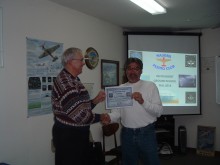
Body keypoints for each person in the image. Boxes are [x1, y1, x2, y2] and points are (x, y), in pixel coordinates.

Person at [102, 57, 163, 165]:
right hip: (127, 135)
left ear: (141, 71)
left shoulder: (150, 86)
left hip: (146, 133)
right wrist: (109, 118)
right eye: (129, 68)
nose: (132, 71)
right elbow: (117, 113)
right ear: (125, 71)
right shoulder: (120, 89)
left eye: (136, 68)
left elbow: (158, 111)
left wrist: (143, 101)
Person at [51, 47, 106, 165]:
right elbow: (80, 115)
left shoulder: (74, 79)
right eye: (81, 60)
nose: (83, 64)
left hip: (77, 136)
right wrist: (101, 117)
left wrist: (95, 100)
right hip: (69, 138)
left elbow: (80, 108)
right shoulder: (65, 82)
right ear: (70, 61)